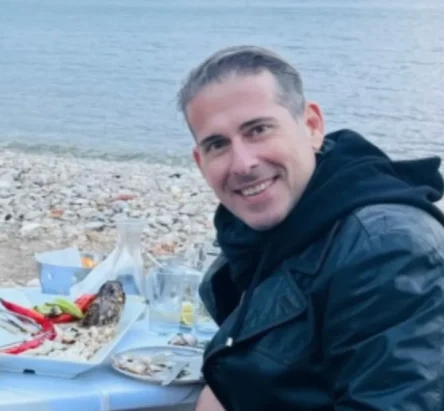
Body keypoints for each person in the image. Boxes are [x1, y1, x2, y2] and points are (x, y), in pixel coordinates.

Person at [177, 45, 444, 410]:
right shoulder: (264, 232)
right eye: (217, 145)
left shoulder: (386, 248)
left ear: (312, 126)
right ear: (199, 161)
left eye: (258, 130)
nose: (242, 164)